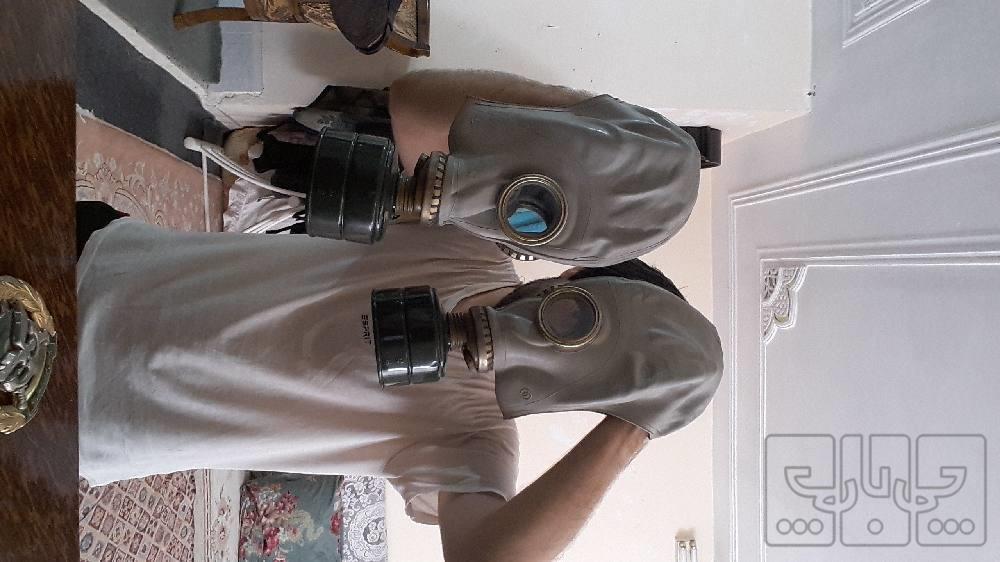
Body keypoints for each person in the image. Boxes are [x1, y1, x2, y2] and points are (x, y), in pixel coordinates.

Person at [77, 70, 721, 561]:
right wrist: (587, 125)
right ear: (571, 270)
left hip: (90, 411)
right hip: (108, 258)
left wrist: (634, 425)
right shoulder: (468, 246)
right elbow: (412, 105)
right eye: (581, 311)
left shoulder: (477, 440)